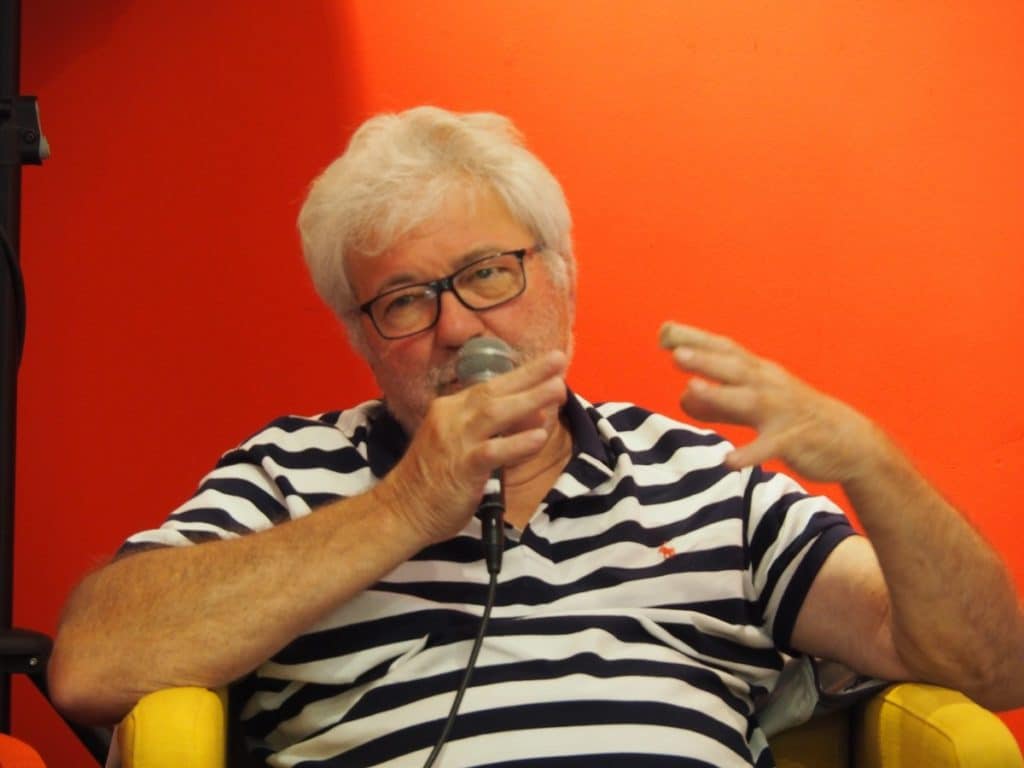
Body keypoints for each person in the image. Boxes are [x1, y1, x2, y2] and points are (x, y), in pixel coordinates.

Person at [48, 106, 1023, 767]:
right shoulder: (292, 474)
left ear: (560, 284)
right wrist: (403, 509)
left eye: (487, 272)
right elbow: (92, 666)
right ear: (363, 339)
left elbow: (995, 669)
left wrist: (872, 466)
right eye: (403, 299)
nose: (458, 327)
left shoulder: (705, 479)